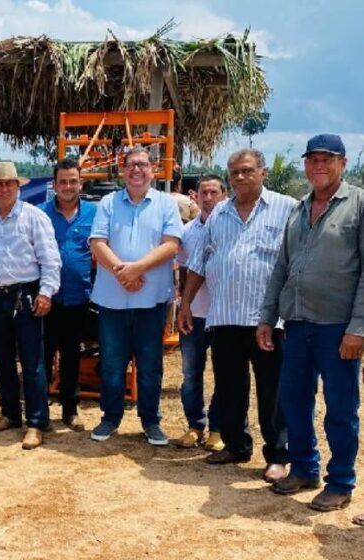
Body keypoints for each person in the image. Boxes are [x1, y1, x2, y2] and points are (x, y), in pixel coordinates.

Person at [259, 134, 363, 512]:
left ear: (343, 162)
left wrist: (358, 328)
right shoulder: (299, 209)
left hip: (338, 327)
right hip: (297, 323)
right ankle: (304, 468)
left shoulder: (358, 204)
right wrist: (268, 316)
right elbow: (282, 267)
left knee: (340, 407)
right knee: (294, 401)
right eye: (312, 159)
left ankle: (341, 482)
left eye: (327, 159)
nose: (319, 165)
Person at [179, 148, 294, 483]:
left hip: (267, 320)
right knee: (229, 387)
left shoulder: (286, 208)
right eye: (234, 172)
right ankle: (235, 445)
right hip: (224, 316)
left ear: (262, 173)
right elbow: (198, 263)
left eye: (247, 171)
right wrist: (186, 303)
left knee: (272, 391)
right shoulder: (218, 215)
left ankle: (277, 455)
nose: (240, 177)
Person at [88, 147, 182, 446]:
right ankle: (110, 418)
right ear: (122, 169)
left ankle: (151, 421)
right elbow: (97, 243)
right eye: (131, 165)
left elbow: (172, 245)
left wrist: (137, 268)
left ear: (153, 169)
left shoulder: (166, 204)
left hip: (151, 300)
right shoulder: (108, 202)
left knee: (150, 364)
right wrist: (122, 272)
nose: (136, 170)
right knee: (113, 363)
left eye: (142, 164)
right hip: (112, 300)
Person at [0, 161, 60, 450]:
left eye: (9, 183)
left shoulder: (34, 217)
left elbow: (50, 259)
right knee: (1, 358)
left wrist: (46, 293)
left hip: (26, 294)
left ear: (18, 186)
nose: (4, 188)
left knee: (33, 361)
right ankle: (10, 414)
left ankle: (36, 422)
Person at [38, 158, 96, 430]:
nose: (68, 186)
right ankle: (39, 414)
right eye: (63, 181)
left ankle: (70, 411)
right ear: (54, 184)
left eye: (73, 181)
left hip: (79, 297)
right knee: (42, 356)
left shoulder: (94, 214)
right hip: (46, 299)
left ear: (81, 183)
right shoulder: (40, 213)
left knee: (72, 355)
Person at [172, 175, 228, 450]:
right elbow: (183, 271)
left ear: (223, 194)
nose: (208, 198)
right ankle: (195, 424)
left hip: (222, 315)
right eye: (203, 193)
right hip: (193, 314)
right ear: (195, 196)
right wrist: (183, 306)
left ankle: (218, 428)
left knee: (223, 373)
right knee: (191, 373)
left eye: (213, 193)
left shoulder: (232, 229)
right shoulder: (188, 232)